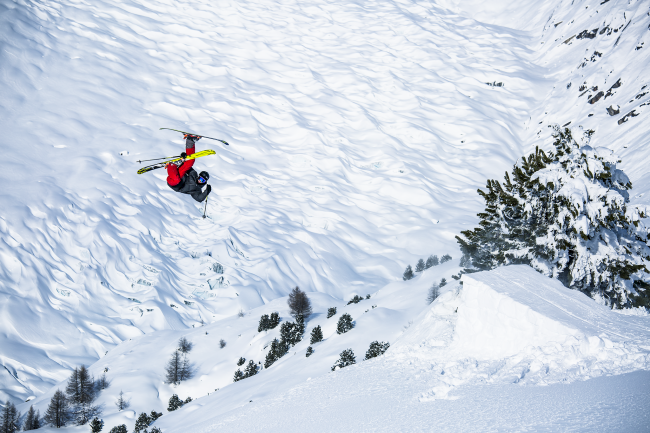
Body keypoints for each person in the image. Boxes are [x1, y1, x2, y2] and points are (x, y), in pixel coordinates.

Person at [166, 134, 211, 202]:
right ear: (198, 176)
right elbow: (186, 166)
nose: (200, 181)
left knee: (176, 179)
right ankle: (190, 141)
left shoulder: (196, 190)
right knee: (191, 161)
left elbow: (199, 199)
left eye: (202, 180)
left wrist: (207, 191)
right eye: (200, 178)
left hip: (176, 184)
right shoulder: (194, 174)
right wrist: (184, 158)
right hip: (180, 176)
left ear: (204, 182)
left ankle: (171, 165)